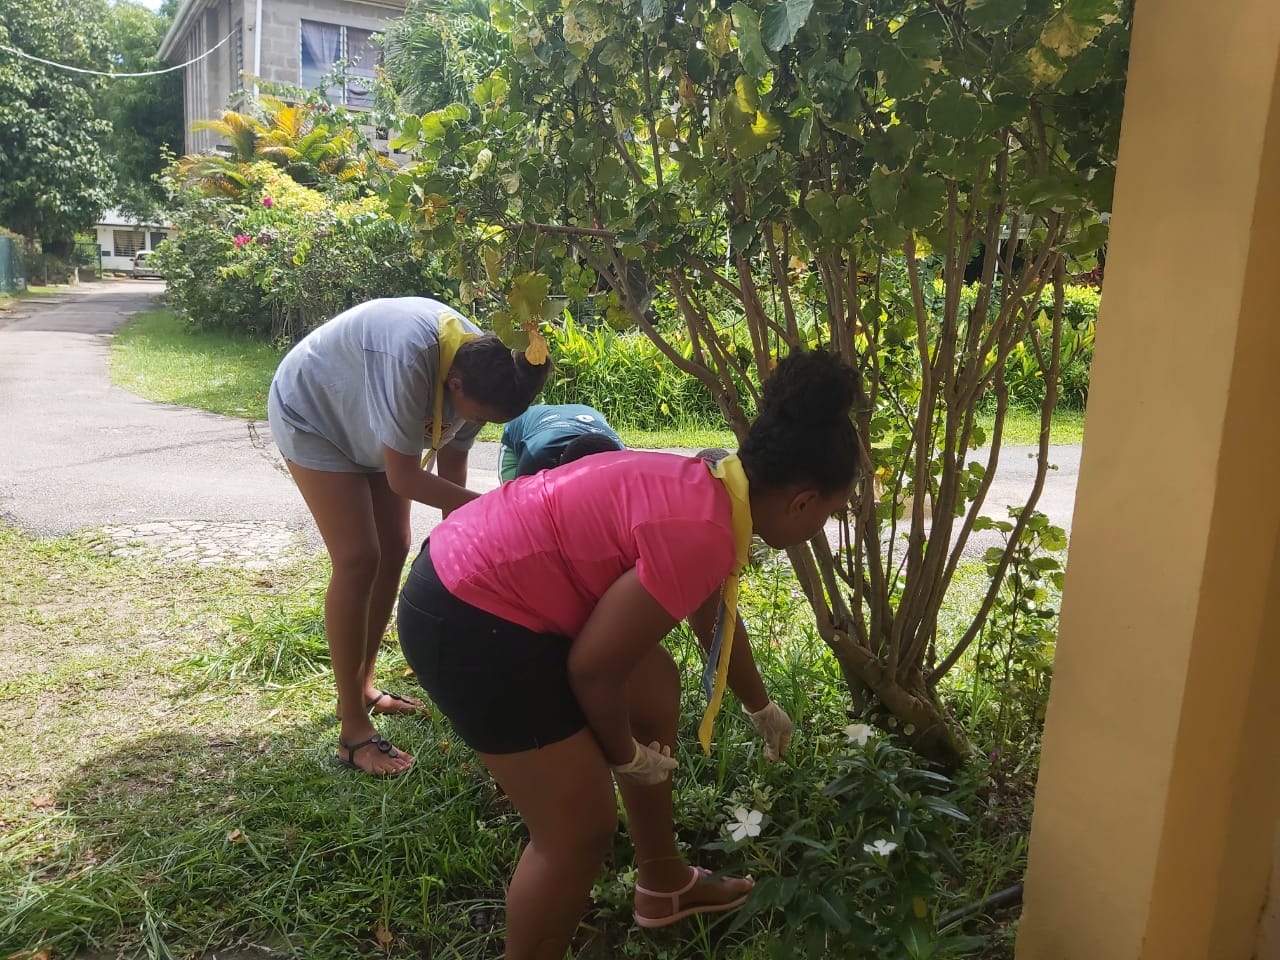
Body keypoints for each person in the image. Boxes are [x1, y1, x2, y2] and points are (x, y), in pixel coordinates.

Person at [396, 349, 861, 959]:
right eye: (831, 512)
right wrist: (624, 754)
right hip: (467, 616)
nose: (822, 525)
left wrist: (759, 706)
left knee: (654, 685)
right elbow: (593, 669)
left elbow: (708, 612)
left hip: (474, 573)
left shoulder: (715, 481)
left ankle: (663, 885)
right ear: (802, 502)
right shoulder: (706, 530)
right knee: (578, 833)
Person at [267, 296, 552, 777]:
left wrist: (459, 547)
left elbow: (453, 460)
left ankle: (363, 685)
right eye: (475, 413)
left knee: (395, 547)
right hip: (315, 414)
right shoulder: (408, 355)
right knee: (359, 557)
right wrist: (500, 508)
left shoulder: (493, 366)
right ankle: (353, 732)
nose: (475, 424)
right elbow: (404, 478)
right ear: (453, 382)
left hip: (370, 427)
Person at [498, 403, 624, 482]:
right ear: (559, 461)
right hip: (524, 424)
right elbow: (518, 506)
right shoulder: (535, 459)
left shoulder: (623, 463)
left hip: (583, 413)